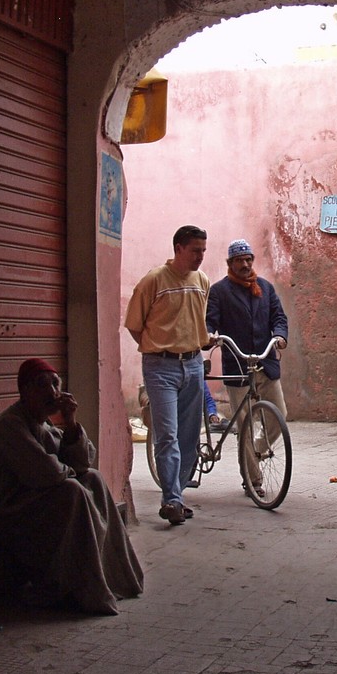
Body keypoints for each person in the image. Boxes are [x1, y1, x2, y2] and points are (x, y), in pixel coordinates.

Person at [0, 358, 144, 615]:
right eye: (43, 386)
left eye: (56, 384)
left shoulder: (44, 424)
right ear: (25, 391)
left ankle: (115, 578)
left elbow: (83, 463)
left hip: (31, 503)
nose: (52, 392)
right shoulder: (8, 425)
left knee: (94, 480)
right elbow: (44, 473)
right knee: (72, 492)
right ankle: (73, 588)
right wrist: (71, 473)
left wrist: (72, 422)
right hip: (4, 515)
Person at [125, 224, 213, 525]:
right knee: (168, 435)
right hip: (160, 366)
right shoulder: (154, 281)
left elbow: (198, 322)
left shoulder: (202, 281)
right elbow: (135, 325)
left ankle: (178, 493)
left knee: (189, 436)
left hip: (193, 364)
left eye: (203, 250)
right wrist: (157, 349)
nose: (200, 257)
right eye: (195, 251)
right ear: (178, 249)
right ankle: (172, 500)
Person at [205, 238, 289, 497]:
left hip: (265, 363)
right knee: (245, 424)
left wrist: (280, 335)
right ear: (230, 263)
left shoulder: (265, 288)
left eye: (248, 259)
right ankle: (253, 479)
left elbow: (278, 316)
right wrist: (209, 335)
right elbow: (210, 321)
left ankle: (255, 452)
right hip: (237, 366)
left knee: (279, 414)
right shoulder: (220, 291)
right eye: (239, 260)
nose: (245, 264)